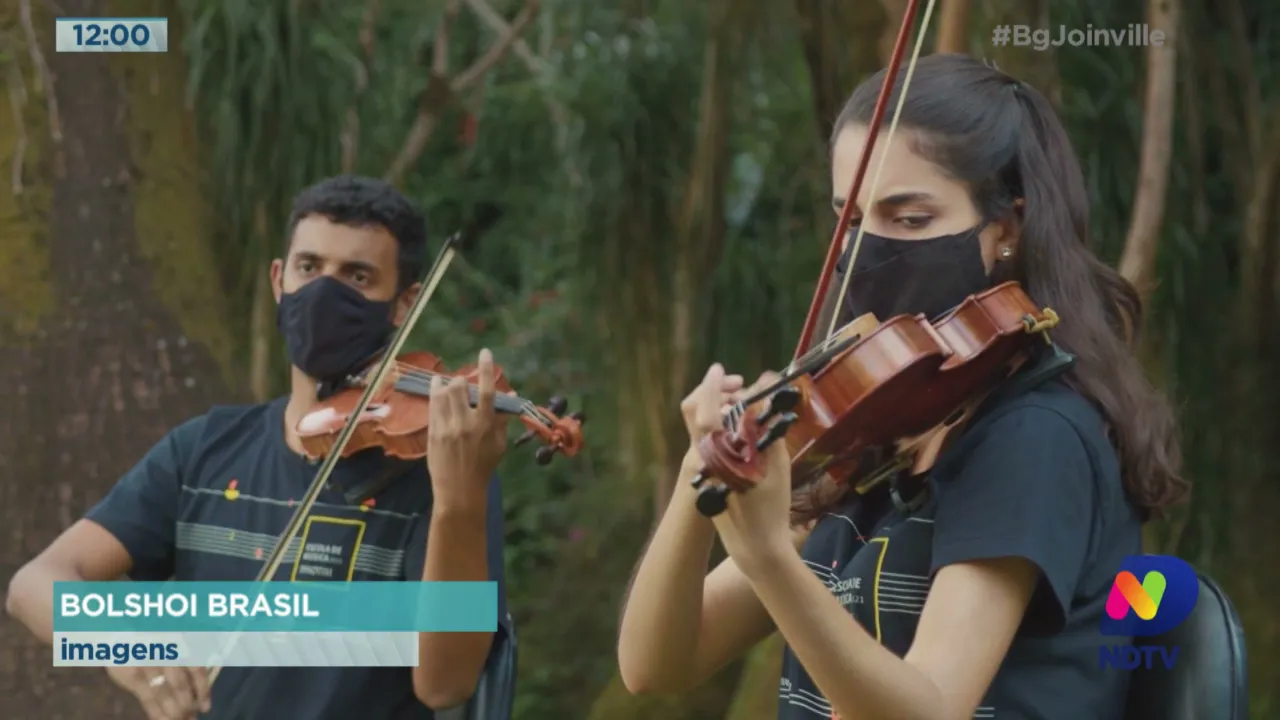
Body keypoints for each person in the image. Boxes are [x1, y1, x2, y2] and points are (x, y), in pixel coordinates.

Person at [616, 53, 1188, 720]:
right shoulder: (881, 431)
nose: (866, 251)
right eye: (850, 221)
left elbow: (932, 708)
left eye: (909, 219)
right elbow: (657, 665)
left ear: (1005, 229)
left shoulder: (1034, 436)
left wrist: (770, 557)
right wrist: (702, 472)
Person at [7, 175, 511, 720]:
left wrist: (459, 501)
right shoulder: (205, 449)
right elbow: (32, 586)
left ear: (404, 304)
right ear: (279, 280)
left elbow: (445, 685)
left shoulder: (442, 474)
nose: (324, 294)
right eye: (309, 267)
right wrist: (122, 644)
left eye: (357, 276)